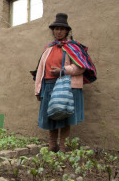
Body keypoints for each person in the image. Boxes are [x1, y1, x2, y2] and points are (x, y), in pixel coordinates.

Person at [32, 13, 97, 152]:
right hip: (49, 86)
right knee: (51, 118)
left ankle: (63, 147)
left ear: (67, 31)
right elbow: (40, 71)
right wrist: (38, 90)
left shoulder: (73, 47)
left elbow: (81, 67)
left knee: (65, 117)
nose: (58, 31)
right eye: (56, 29)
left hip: (67, 86)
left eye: (62, 29)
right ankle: (51, 146)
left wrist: (63, 70)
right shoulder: (48, 49)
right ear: (53, 31)